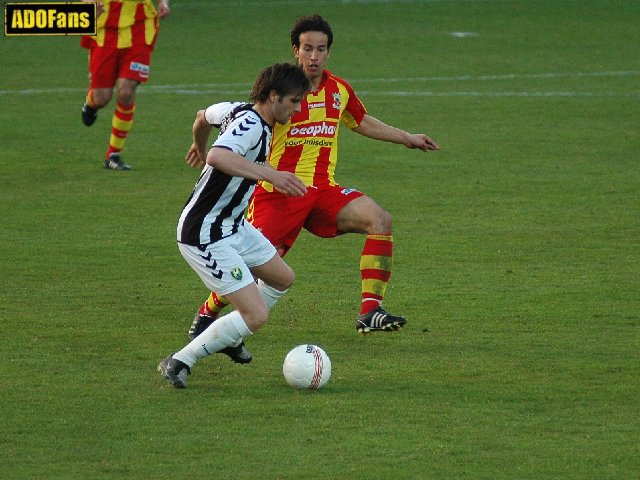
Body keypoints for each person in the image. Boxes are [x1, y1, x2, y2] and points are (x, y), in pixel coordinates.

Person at [187, 14, 440, 361]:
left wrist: (407, 138)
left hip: (322, 192)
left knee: (380, 219)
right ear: (296, 50)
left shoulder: (338, 90)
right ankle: (206, 315)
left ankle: (370, 310)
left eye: (321, 49)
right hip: (276, 194)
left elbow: (362, 121)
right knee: (254, 267)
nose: (314, 57)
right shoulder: (281, 95)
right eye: (307, 48)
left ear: (328, 53)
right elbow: (240, 125)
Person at [158, 63, 310, 388]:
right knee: (256, 315)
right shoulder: (251, 126)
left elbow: (201, 116)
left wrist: (198, 146)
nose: (297, 109)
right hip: (204, 234)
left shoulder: (235, 110)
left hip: (234, 226)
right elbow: (218, 157)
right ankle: (181, 360)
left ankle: (231, 335)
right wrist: (271, 174)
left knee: (283, 278)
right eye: (294, 101)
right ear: (273, 96)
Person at [79, 0, 170, 170]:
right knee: (101, 98)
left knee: (126, 93)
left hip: (139, 28)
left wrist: (163, 3)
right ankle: (91, 104)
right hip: (104, 29)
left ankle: (113, 155)